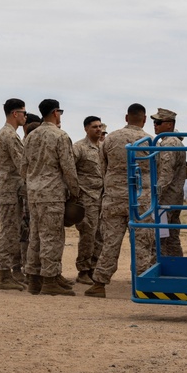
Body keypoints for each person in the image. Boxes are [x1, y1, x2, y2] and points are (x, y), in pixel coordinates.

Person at [85, 103, 153, 298]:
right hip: (140, 199)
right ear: (144, 119)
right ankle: (142, 286)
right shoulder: (149, 140)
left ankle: (99, 284)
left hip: (114, 198)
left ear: (126, 118)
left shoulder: (111, 138)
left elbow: (102, 166)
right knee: (142, 243)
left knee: (110, 242)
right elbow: (155, 169)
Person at [23, 99, 81, 296]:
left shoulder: (31, 136)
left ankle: (34, 280)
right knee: (52, 237)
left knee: (35, 236)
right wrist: (75, 192)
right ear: (56, 112)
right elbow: (68, 168)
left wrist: (31, 184)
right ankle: (49, 281)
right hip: (53, 194)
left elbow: (24, 166)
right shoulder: (60, 136)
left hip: (34, 193)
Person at [0, 98, 28, 291]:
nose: (25, 116)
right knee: (9, 232)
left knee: (11, 231)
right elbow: (22, 164)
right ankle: (4, 275)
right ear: (15, 114)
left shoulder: (2, 134)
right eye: (23, 112)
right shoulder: (10, 135)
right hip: (10, 190)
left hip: (8, 189)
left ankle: (7, 274)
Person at [151, 108, 187, 257]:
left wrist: (156, 197)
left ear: (169, 125)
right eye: (155, 122)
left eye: (158, 122)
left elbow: (165, 175)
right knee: (172, 238)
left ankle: (160, 271)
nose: (155, 125)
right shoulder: (177, 142)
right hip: (175, 197)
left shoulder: (169, 143)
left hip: (165, 200)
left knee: (159, 240)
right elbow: (185, 172)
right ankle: (177, 267)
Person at [73, 115, 105, 284]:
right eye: (94, 127)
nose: (98, 129)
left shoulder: (104, 147)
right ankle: (83, 270)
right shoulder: (79, 148)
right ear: (86, 129)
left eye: (100, 126)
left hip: (103, 198)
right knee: (88, 235)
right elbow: (70, 170)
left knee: (100, 235)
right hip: (86, 198)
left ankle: (94, 267)